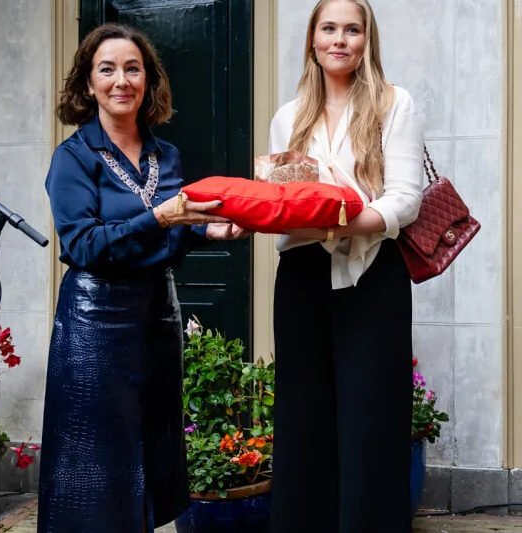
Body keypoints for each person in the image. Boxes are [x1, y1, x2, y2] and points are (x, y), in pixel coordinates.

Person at [38, 23, 241, 533]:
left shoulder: (165, 155)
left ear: (148, 80)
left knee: (150, 456)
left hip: (156, 320)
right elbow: (84, 246)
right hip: (95, 326)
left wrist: (208, 230)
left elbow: (167, 239)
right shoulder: (73, 158)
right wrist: (161, 218)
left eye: (133, 69)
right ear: (89, 84)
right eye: (107, 69)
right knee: (98, 466)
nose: (121, 80)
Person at [268, 1, 423, 531]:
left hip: (374, 274)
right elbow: (281, 201)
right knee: (302, 419)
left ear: (366, 41)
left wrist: (342, 221)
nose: (340, 39)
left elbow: (405, 199)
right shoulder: (288, 117)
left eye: (352, 30)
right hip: (302, 276)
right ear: (313, 40)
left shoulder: (394, 105)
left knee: (371, 420)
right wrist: (242, 218)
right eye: (329, 28)